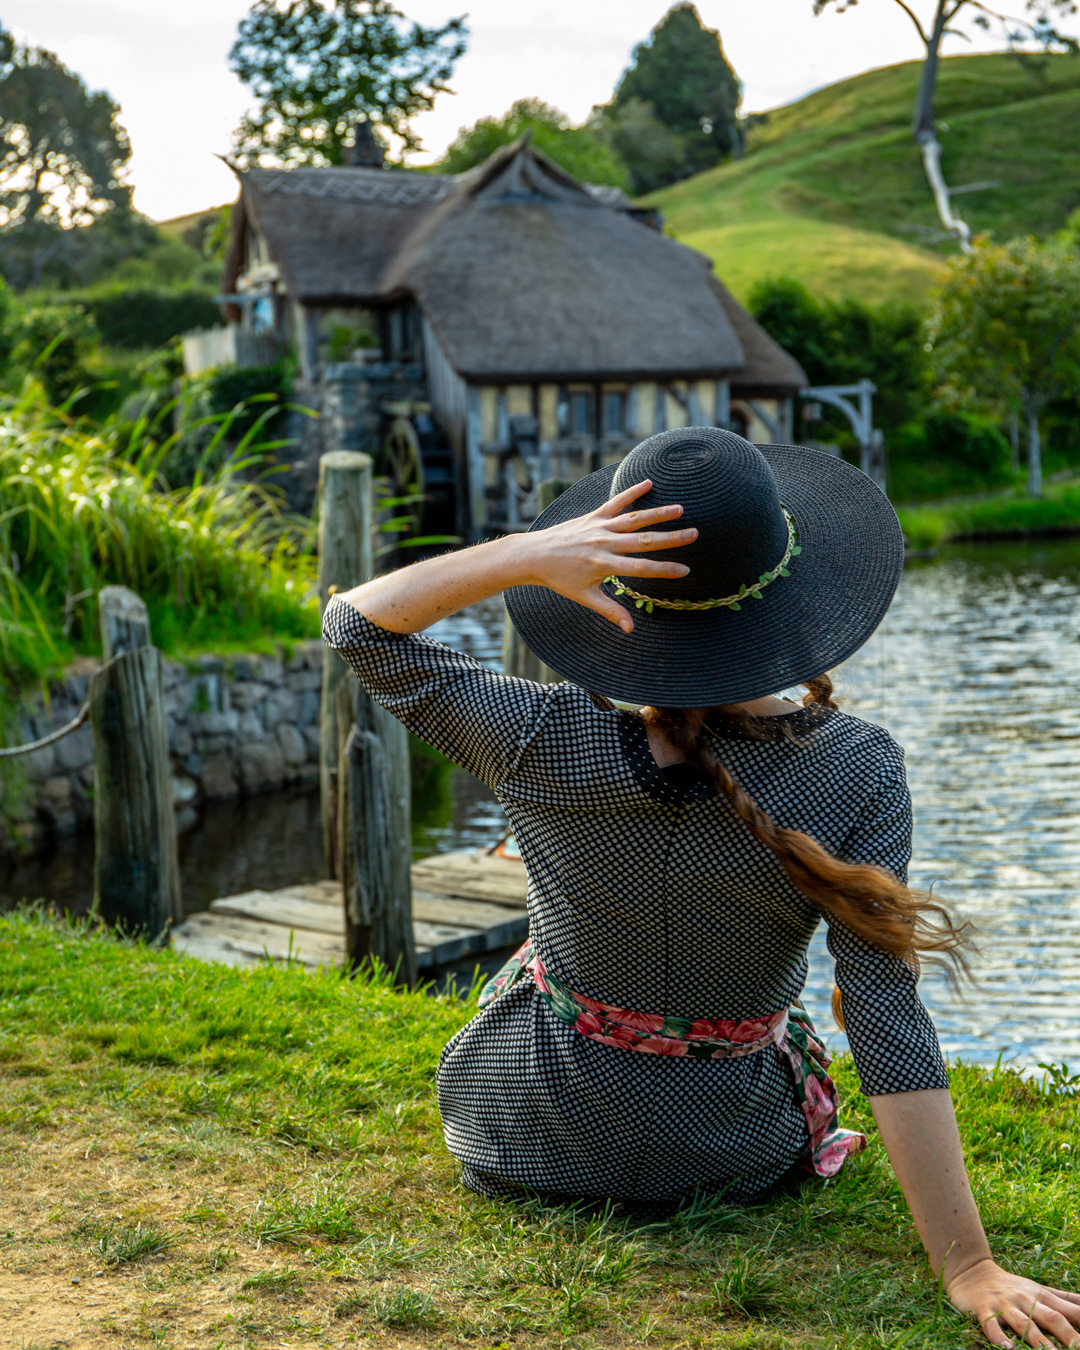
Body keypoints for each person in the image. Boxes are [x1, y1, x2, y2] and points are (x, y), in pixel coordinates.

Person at [324, 427, 1080, 1348]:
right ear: (794, 587)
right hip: (729, 1148)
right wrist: (969, 1266)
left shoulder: (537, 739)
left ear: (611, 581)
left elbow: (356, 622)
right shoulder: (856, 768)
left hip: (525, 1136)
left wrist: (523, 556)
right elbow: (883, 1014)